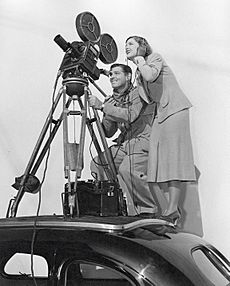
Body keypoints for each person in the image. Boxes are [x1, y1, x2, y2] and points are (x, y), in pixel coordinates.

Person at [125, 36, 196, 225]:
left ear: (143, 47)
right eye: (126, 45)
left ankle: (172, 208)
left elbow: (151, 76)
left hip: (174, 109)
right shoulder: (140, 72)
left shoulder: (154, 58)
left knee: (173, 158)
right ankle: (169, 208)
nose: (127, 47)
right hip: (161, 112)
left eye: (131, 43)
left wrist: (140, 62)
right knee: (157, 160)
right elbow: (147, 99)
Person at [89, 63, 158, 217]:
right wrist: (105, 110)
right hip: (125, 143)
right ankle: (112, 206)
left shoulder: (137, 93)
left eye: (117, 73)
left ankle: (148, 212)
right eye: (111, 74)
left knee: (128, 169)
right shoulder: (113, 99)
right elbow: (108, 132)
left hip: (142, 141)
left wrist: (103, 107)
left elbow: (130, 115)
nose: (112, 77)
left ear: (127, 76)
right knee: (98, 164)